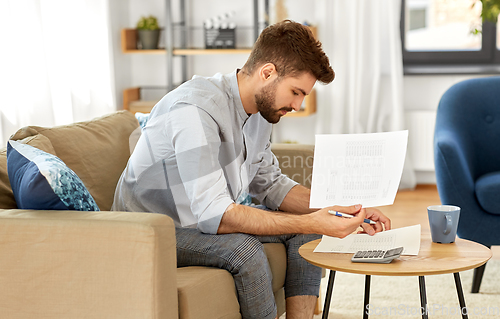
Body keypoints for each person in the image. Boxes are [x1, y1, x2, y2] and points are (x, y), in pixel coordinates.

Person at [112, 20, 391, 319]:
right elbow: (214, 214)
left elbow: (271, 185)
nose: (297, 105)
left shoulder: (258, 113)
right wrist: (314, 222)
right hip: (152, 227)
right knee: (246, 251)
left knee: (305, 234)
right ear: (267, 73)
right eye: (295, 92)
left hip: (196, 219)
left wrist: (341, 210)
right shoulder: (194, 110)